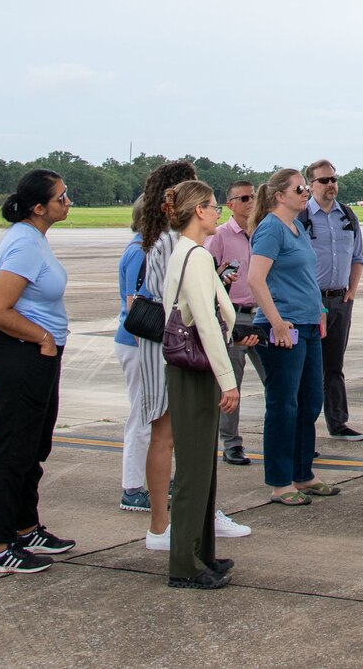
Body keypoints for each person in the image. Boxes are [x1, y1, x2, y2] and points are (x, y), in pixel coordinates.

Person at [136, 161, 252, 551]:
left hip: (176, 344)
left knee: (183, 440)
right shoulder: (178, 247)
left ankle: (190, 521)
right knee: (171, 436)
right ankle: (165, 526)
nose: (218, 211)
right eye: (213, 204)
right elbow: (188, 309)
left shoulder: (176, 244)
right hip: (173, 346)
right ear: (192, 206)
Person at [0, 169, 76, 573]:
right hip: (20, 352)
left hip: (35, 354)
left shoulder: (33, 238)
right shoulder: (24, 244)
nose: (68, 202)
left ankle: (26, 526)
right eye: (62, 197)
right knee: (12, 450)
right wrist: (43, 338)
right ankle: (1, 548)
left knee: (33, 447)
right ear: (39, 208)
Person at [162, 178, 242, 589]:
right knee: (194, 469)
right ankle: (185, 565)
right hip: (197, 368)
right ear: (198, 212)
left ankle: (201, 553)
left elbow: (219, 308)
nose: (218, 212)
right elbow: (205, 320)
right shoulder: (193, 255)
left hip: (199, 366)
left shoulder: (191, 252)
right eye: (213, 206)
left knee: (202, 466)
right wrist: (227, 379)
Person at [246, 168, 337, 505]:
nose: (305, 191)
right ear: (279, 196)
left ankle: (303, 474)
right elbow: (255, 280)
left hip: (309, 325)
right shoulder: (271, 229)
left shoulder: (296, 227)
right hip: (284, 329)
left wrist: (320, 311)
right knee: (283, 405)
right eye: (299, 187)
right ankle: (280, 481)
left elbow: (305, 277)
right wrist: (278, 323)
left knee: (310, 401)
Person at [302, 158, 363, 441]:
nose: (331, 185)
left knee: (334, 366)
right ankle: (305, 430)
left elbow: (358, 256)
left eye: (333, 179)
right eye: (324, 180)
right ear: (311, 185)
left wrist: (351, 291)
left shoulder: (347, 216)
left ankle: (338, 422)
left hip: (340, 299)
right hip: (310, 302)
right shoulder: (301, 217)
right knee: (308, 368)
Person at [205, 177, 265, 465]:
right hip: (234, 314)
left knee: (275, 378)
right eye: (244, 198)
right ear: (230, 205)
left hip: (262, 313)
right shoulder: (219, 236)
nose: (251, 201)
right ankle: (231, 443)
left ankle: (284, 435)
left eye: (253, 196)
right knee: (233, 383)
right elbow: (206, 277)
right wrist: (220, 276)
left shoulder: (262, 232)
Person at [114, 196, 153, 511]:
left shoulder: (142, 248)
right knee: (141, 414)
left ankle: (148, 477)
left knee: (150, 415)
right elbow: (134, 307)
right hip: (137, 343)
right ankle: (132, 486)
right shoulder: (139, 252)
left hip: (140, 342)